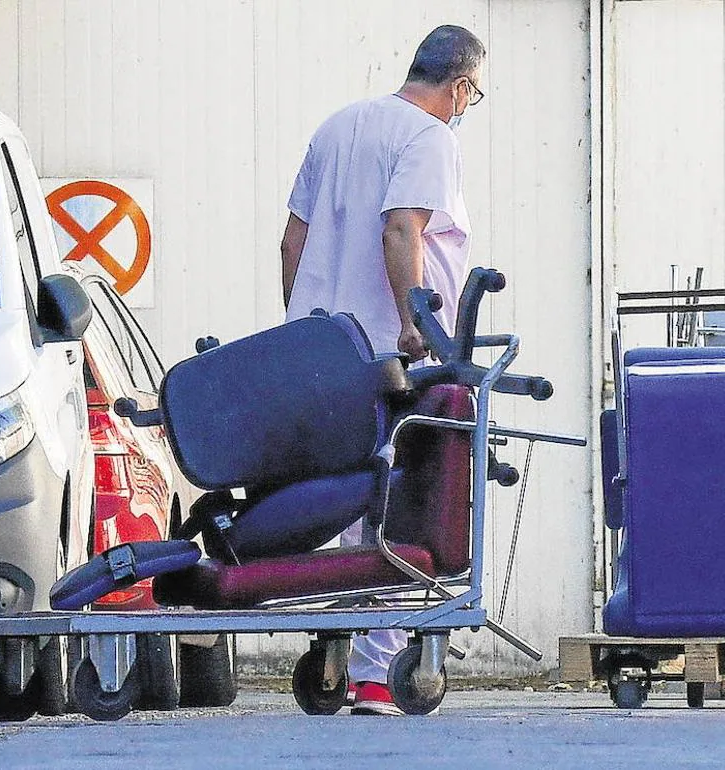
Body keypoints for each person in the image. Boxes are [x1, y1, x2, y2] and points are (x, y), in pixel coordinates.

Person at [279, 24, 486, 716]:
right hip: (390, 354)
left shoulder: (338, 125)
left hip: (321, 353)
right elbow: (402, 228)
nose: (467, 107)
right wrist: (409, 321)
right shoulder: (431, 138)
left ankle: (335, 651)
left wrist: (305, 332)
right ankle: (375, 673)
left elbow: (294, 239)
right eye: (472, 95)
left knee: (339, 501)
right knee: (401, 503)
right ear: (460, 86)